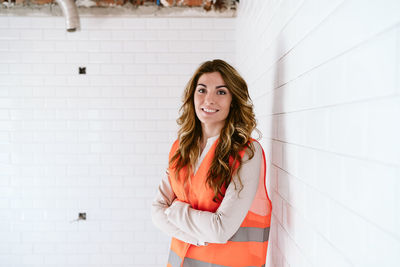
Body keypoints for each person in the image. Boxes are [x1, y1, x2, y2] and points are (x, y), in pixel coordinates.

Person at [151, 59, 272, 267]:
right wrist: (197, 237)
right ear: (192, 97)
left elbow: (220, 230)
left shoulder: (247, 152)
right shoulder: (180, 148)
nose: (209, 99)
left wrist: (175, 210)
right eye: (202, 90)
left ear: (233, 100)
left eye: (221, 92)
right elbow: (156, 211)